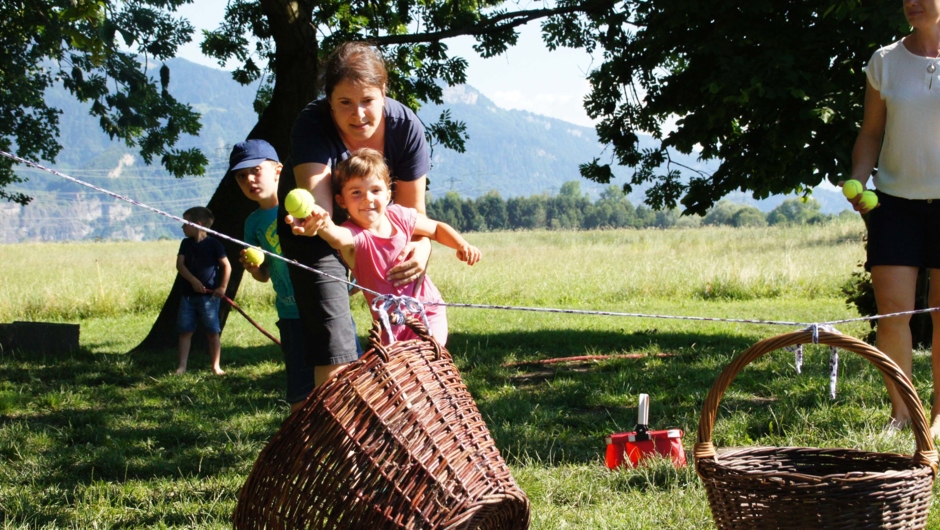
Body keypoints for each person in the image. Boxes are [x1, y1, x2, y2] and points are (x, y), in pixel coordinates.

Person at [278, 41, 432, 386]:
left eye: (367, 101)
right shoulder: (311, 125)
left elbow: (412, 214)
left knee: (407, 330)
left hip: (383, 228)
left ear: (384, 92)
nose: (358, 114)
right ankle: (334, 429)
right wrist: (323, 230)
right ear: (328, 101)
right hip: (314, 231)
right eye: (344, 103)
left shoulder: (406, 128)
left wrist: (422, 248)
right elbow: (323, 215)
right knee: (335, 343)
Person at [844, 0, 940, 434]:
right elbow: (871, 132)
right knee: (892, 314)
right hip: (895, 203)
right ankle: (903, 415)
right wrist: (859, 182)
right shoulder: (884, 60)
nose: (912, 3)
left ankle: (939, 418)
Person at [308, 148, 480, 345]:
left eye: (375, 190)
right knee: (399, 373)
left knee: (428, 362)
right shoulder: (355, 234)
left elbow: (436, 228)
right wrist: (320, 221)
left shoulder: (399, 216)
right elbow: (336, 236)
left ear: (388, 193)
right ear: (341, 201)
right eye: (356, 192)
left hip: (428, 311)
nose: (368, 199)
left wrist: (462, 244)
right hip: (391, 324)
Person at [230, 139, 317, 412]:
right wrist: (254, 269)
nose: (249, 180)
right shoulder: (253, 223)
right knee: (300, 393)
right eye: (241, 176)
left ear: (278, 169)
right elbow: (264, 275)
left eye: (256, 170)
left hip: (321, 307)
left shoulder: (302, 207)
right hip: (290, 314)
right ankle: (304, 445)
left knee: (344, 380)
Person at [176, 206, 230, 375]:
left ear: (197, 224)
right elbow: (180, 265)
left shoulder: (214, 245)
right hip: (188, 297)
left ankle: (216, 366)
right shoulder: (185, 244)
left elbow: (226, 266)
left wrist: (222, 288)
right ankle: (182, 366)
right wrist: (193, 281)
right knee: (185, 331)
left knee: (213, 332)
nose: (183, 227)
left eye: (186, 223)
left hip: (209, 298)